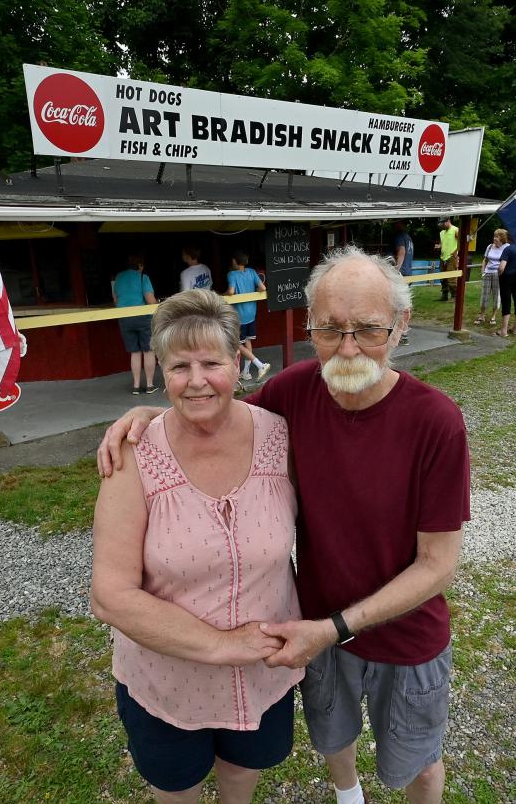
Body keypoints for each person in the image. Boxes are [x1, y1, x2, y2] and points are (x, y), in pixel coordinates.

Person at [99, 246, 470, 804]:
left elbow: (439, 563)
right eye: (329, 329)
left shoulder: (437, 422)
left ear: (400, 326)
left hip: (400, 634)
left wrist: (335, 627)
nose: (347, 348)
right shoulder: (295, 392)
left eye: (367, 330)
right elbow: (213, 401)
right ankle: (349, 796)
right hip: (314, 633)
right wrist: (149, 416)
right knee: (333, 738)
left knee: (416, 764)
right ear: (311, 326)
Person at [91, 289, 304, 804]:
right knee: (178, 790)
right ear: (162, 370)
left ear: (238, 360)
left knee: (240, 779)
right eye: (179, 366)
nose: (196, 380)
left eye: (211, 362)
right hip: (168, 682)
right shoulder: (134, 453)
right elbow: (110, 594)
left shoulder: (281, 437)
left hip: (263, 674)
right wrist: (226, 646)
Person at [112, 254, 159, 394]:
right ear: (140, 265)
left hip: (124, 318)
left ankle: (136, 386)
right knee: (148, 350)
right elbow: (150, 300)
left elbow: (115, 299)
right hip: (143, 318)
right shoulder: (142, 277)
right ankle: (150, 385)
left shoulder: (118, 277)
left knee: (135, 352)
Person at [224, 251, 271, 382]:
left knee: (236, 343)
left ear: (234, 261)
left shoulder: (232, 274)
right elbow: (262, 288)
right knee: (247, 341)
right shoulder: (251, 272)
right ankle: (246, 372)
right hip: (251, 314)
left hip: (239, 316)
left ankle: (260, 365)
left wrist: (224, 294)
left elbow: (231, 291)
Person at [475, 229, 508, 327]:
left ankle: (493, 316)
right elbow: (485, 260)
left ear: (502, 238)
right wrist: (483, 271)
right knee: (484, 295)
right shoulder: (489, 246)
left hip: (498, 274)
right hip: (488, 273)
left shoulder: (507, 247)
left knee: (496, 295)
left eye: (497, 236)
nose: (494, 238)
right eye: (494, 236)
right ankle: (482, 315)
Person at [497, 233, 516, 337]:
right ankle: (515, 328)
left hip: (506, 278)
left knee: (506, 301)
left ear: (509, 239)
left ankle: (504, 330)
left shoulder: (508, 249)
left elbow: (501, 267)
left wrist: (499, 273)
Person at [433, 217, 460, 301]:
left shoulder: (456, 230)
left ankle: (454, 296)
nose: (441, 225)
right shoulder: (441, 232)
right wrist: (438, 247)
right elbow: (442, 244)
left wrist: (455, 252)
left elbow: (462, 242)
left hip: (451, 257)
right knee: (442, 277)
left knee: (451, 277)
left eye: (443, 223)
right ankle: (444, 295)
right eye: (440, 223)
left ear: (448, 221)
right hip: (442, 257)